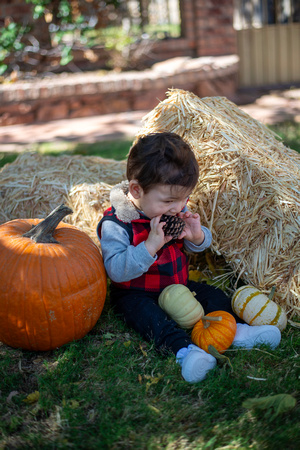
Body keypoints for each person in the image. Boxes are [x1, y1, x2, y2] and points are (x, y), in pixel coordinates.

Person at [97, 132, 281, 383]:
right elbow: (116, 270)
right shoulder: (116, 223)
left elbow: (196, 245)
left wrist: (196, 237)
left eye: (185, 198)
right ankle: (185, 352)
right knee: (150, 319)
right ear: (136, 190)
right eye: (171, 200)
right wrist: (149, 245)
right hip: (136, 293)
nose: (179, 207)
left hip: (177, 285)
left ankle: (235, 331)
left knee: (213, 296)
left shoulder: (172, 208)